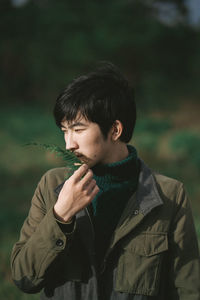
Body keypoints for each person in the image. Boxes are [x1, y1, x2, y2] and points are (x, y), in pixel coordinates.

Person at [11, 62, 200, 300]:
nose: (69, 144)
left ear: (115, 130)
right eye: (64, 131)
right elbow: (24, 278)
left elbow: (187, 289)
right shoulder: (51, 185)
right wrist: (60, 216)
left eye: (78, 130)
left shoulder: (170, 194)